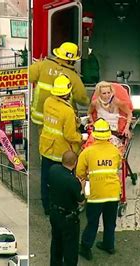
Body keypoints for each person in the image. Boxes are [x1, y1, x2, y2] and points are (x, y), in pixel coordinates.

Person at [77, 118, 121, 261]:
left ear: (94, 135)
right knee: (110, 222)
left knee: (92, 222)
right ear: (108, 135)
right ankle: (109, 245)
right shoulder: (115, 151)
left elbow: (80, 173)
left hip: (96, 195)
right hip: (113, 193)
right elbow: (118, 166)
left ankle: (85, 247)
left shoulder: (87, 152)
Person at [39, 74, 82, 215]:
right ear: (68, 92)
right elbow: (69, 135)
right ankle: (66, 204)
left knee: (46, 179)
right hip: (60, 151)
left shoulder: (48, 102)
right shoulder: (67, 111)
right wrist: (81, 137)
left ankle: (46, 206)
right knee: (63, 181)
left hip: (46, 147)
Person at [29, 42, 90, 127]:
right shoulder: (73, 76)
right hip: (60, 120)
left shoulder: (42, 65)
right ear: (72, 60)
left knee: (44, 137)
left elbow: (29, 77)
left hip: (40, 116)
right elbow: (82, 99)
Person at [49, 151, 85, 266]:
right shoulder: (72, 181)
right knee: (70, 248)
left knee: (56, 243)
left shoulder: (53, 169)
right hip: (68, 218)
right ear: (75, 163)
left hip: (54, 213)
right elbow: (81, 200)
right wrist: (82, 186)